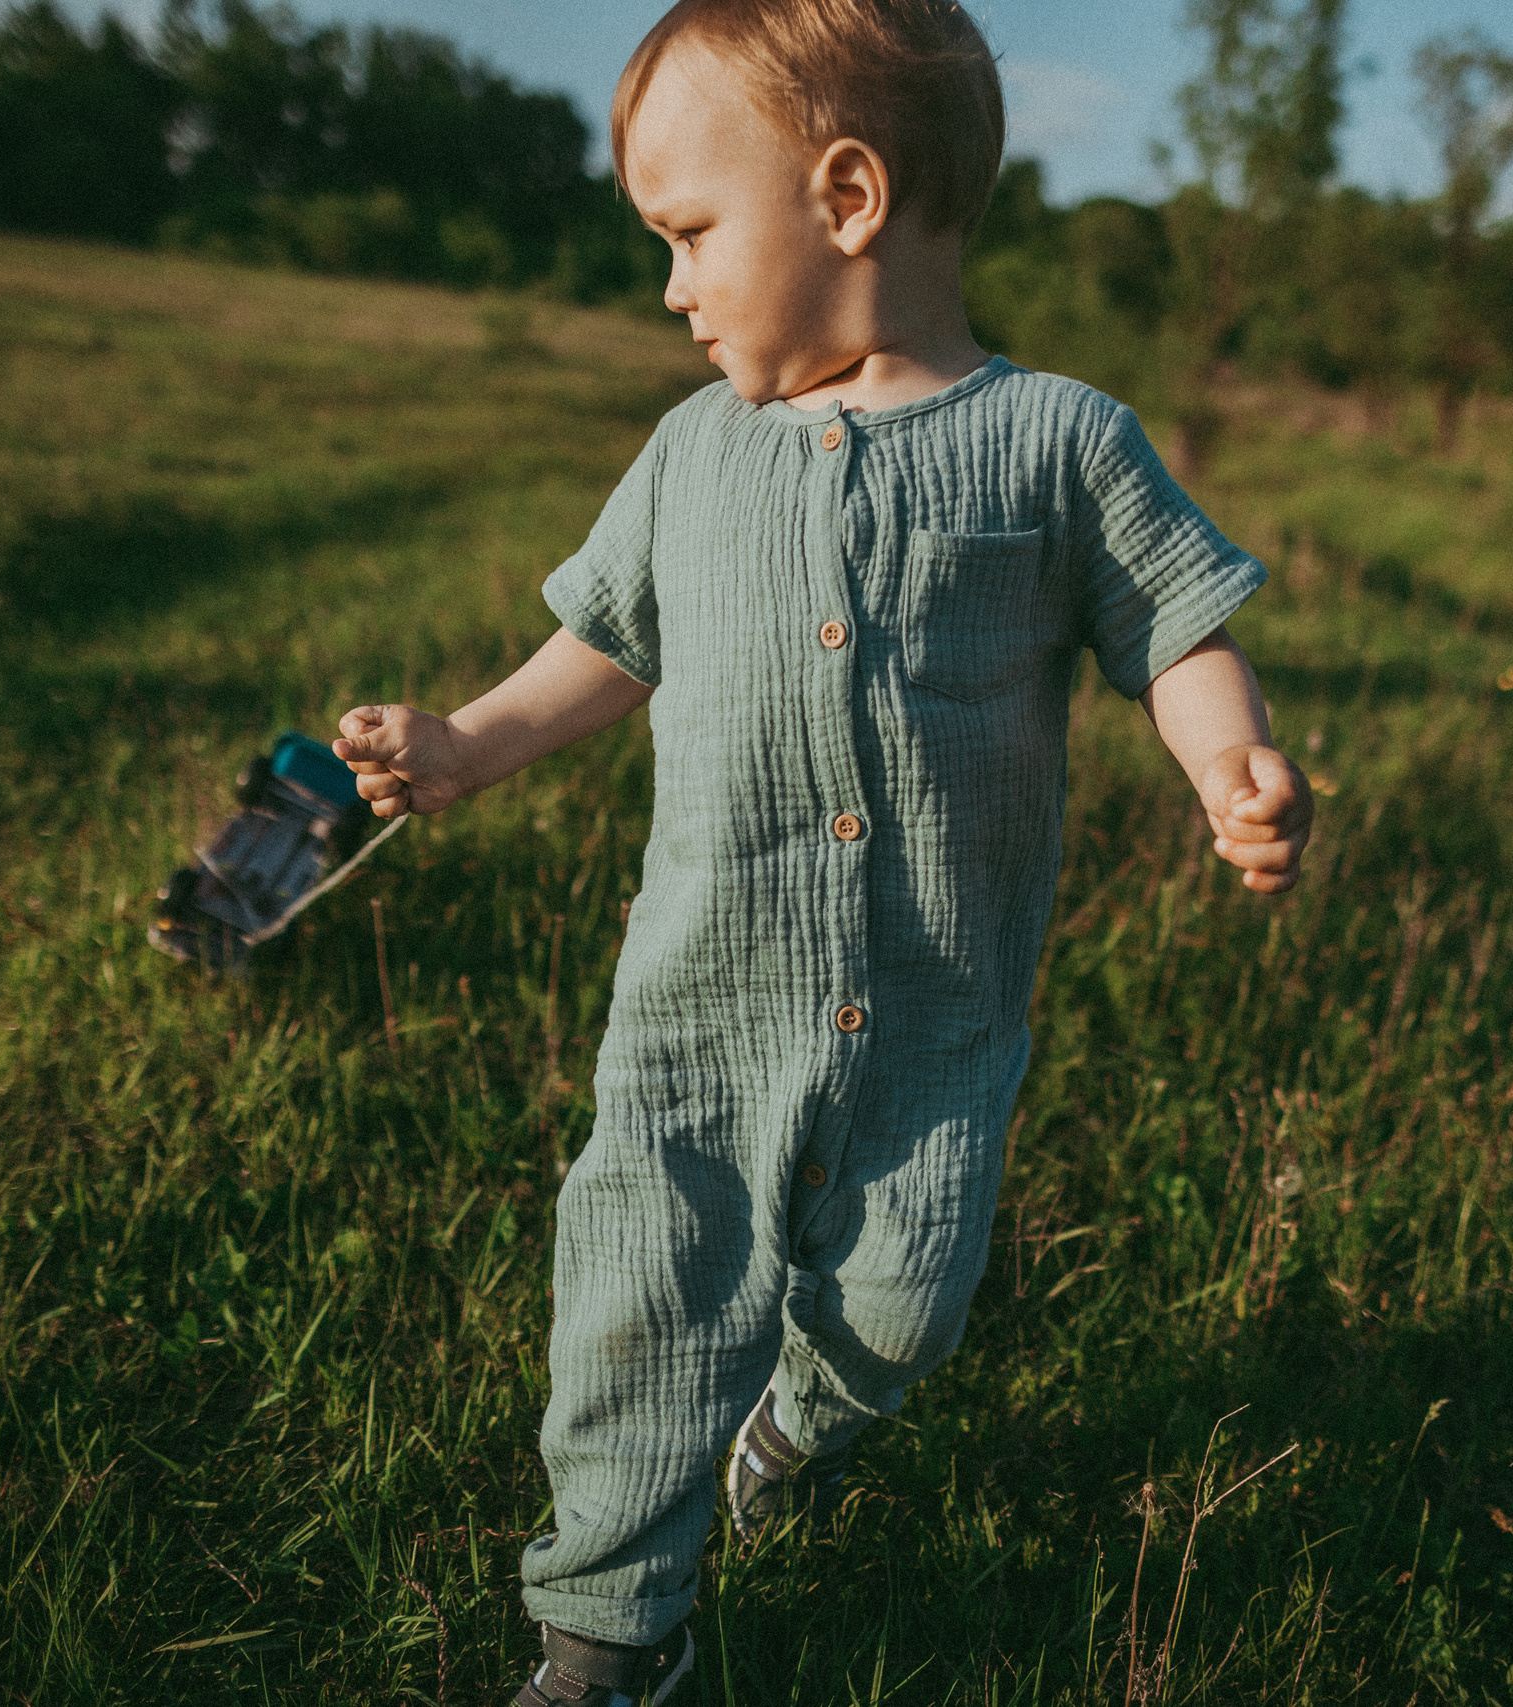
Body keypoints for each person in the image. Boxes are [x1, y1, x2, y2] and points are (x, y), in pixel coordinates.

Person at [332, 1, 1312, 1699]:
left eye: (692, 233)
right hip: (702, 1001)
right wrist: (473, 741)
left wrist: (1233, 759)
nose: (673, 287)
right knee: (642, 1308)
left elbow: (1171, 630)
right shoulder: (692, 453)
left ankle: (791, 1433)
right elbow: (606, 641)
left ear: (847, 196)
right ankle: (607, 1634)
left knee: (897, 1313)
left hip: (936, 1021)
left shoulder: (1061, 441)